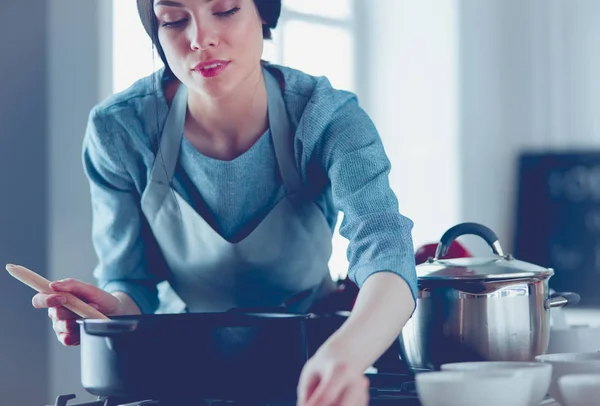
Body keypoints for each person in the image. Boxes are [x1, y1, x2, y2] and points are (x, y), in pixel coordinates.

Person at [32, 0, 418, 405]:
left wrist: (345, 356)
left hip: (310, 360)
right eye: (175, 20)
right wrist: (111, 311)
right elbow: (131, 282)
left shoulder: (326, 117)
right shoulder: (120, 129)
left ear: (264, 12)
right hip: (181, 371)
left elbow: (386, 250)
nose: (200, 39)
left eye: (227, 9)